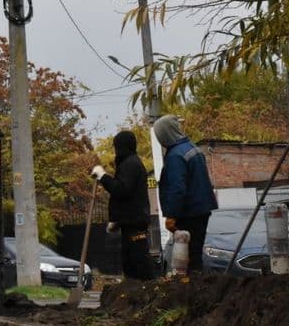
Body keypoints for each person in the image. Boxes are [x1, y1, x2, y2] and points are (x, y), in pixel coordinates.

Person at [152, 114, 218, 273]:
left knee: (185, 256)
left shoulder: (175, 156)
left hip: (188, 214)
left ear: (165, 134)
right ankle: (197, 286)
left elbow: (177, 188)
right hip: (201, 210)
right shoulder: (192, 148)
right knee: (195, 254)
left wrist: (172, 215)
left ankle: (190, 289)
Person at [91, 130, 155, 280]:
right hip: (130, 222)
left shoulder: (130, 164)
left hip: (134, 223)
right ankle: (135, 293)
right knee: (130, 263)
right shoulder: (129, 163)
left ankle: (148, 291)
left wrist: (103, 176)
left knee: (139, 263)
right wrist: (117, 221)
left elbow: (121, 190)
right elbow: (126, 197)